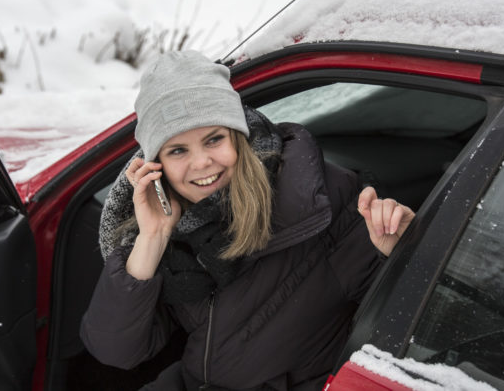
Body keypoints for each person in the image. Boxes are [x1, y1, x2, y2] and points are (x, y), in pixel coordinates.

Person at [80, 50, 415, 390]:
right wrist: (152, 237)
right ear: (157, 164)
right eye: (178, 150)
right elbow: (116, 351)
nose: (201, 163)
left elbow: (411, 318)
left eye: (214, 139)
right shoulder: (172, 225)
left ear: (239, 137)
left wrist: (400, 252)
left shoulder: (317, 199)